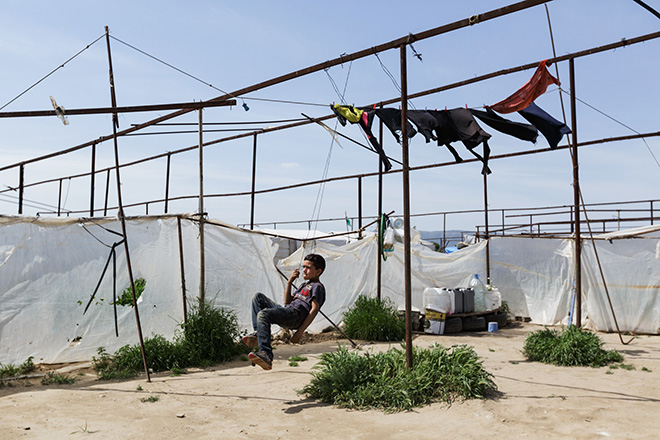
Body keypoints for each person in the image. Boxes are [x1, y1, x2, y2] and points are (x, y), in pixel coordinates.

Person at [243, 253, 326, 370]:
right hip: (288, 311)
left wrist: (300, 331)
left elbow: (314, 309)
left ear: (318, 272)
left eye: (308, 267)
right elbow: (287, 302)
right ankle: (258, 334)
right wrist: (289, 282)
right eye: (304, 267)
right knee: (258, 298)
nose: (304, 270)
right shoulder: (304, 285)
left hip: (295, 316)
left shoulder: (317, 287)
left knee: (263, 314)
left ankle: (266, 354)